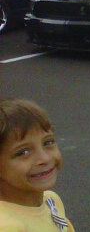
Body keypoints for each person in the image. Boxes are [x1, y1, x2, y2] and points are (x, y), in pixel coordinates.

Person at [0, 98, 75, 231]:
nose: (45, 158)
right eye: (23, 152)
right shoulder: (8, 226)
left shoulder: (51, 200)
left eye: (48, 142)